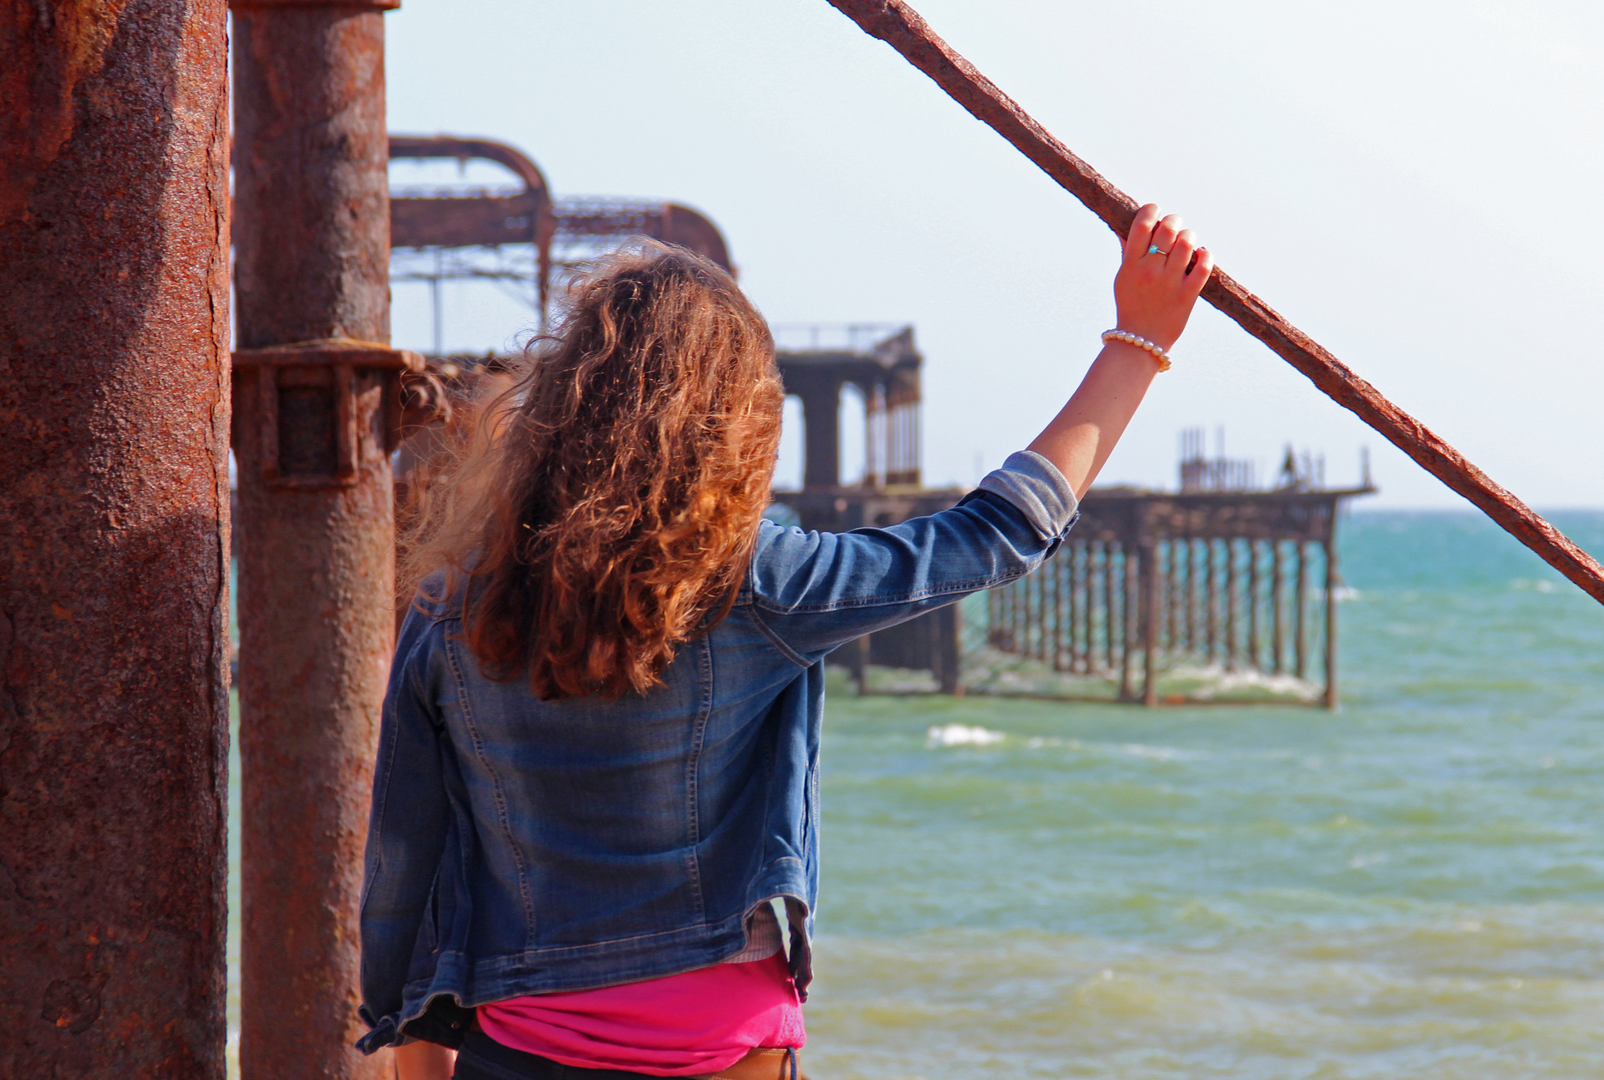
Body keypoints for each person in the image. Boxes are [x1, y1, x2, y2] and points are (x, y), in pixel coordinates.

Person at [358, 203, 1213, 1080]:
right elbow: (996, 533)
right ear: (739, 423)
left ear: (563, 406)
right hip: (720, 1050)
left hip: (524, 1048)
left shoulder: (453, 609)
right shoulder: (761, 585)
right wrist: (1135, 344)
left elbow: (404, 860)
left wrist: (406, 1038)